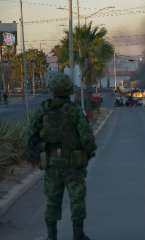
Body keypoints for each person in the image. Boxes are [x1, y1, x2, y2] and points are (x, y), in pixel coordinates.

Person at [28, 73, 96, 240]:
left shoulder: (43, 109)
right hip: (73, 163)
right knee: (77, 199)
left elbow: (31, 134)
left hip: (51, 162)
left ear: (52, 90)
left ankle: (52, 237)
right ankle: (78, 235)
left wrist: (36, 154)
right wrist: (89, 152)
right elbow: (86, 137)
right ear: (68, 91)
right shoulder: (74, 111)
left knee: (52, 199)